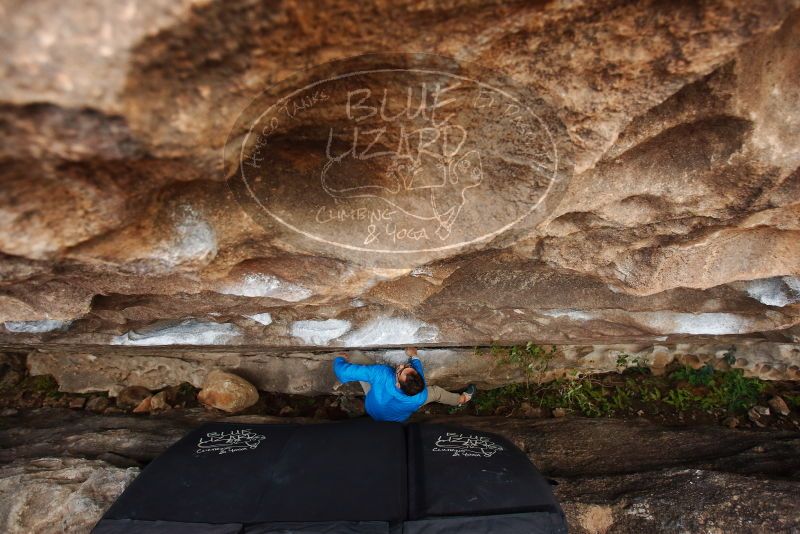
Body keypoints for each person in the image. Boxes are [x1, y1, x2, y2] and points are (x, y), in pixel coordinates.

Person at [333, 346, 476, 422]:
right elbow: (417, 373)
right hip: (396, 419)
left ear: (398, 385)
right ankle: (461, 400)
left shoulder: (382, 374)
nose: (401, 365)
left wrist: (339, 359)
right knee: (436, 392)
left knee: (356, 356)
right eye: (407, 367)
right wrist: (414, 355)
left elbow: (342, 370)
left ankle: (347, 378)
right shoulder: (420, 394)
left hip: (373, 408)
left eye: (400, 370)